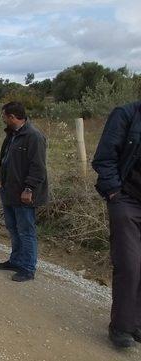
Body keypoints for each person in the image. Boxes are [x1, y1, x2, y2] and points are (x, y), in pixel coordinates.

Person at [92, 100, 141, 348]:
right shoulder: (125, 115)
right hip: (127, 200)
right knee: (129, 264)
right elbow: (104, 157)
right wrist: (114, 192)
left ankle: (136, 323)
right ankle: (121, 327)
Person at [0, 102, 48, 282]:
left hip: (24, 194)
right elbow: (6, 159)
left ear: (12, 117)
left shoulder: (34, 137)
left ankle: (28, 268)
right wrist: (1, 176)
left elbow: (38, 167)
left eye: (4, 116)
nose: (3, 119)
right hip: (9, 191)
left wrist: (28, 188)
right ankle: (16, 260)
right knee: (13, 228)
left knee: (26, 231)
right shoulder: (12, 135)